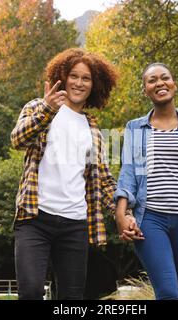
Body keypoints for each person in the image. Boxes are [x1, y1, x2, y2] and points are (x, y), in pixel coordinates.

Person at [11, 48, 126, 300]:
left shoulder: (92, 129)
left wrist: (124, 213)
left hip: (75, 224)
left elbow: (104, 181)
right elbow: (17, 139)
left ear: (94, 85)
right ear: (62, 77)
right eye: (74, 76)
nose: (79, 83)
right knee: (30, 292)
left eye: (86, 78)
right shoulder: (38, 107)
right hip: (34, 219)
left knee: (72, 299)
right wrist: (47, 110)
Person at [114, 63, 178, 300]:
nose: (159, 83)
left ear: (174, 84)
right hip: (150, 220)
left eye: (164, 78)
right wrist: (121, 213)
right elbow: (128, 172)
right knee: (169, 293)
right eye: (152, 80)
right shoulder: (135, 128)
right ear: (145, 90)